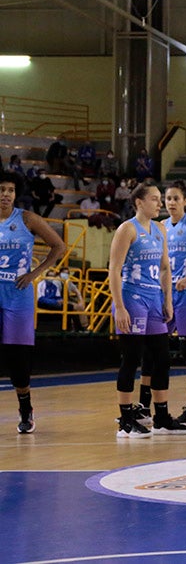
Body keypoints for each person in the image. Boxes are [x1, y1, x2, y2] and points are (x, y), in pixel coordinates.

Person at [132, 182, 186, 429]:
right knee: (151, 353)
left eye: (175, 198)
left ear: (185, 201)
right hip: (162, 295)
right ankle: (143, 406)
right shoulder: (158, 226)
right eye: (167, 198)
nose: (170, 202)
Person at [108, 183, 186, 437]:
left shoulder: (159, 229)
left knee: (162, 358)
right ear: (139, 203)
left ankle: (162, 417)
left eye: (160, 199)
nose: (160, 204)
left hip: (154, 298)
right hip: (132, 298)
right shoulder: (127, 229)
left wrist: (167, 300)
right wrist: (120, 306)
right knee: (132, 359)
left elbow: (166, 267)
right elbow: (114, 270)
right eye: (155, 199)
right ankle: (125, 419)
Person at [0, 173, 67, 434]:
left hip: (18, 294)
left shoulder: (27, 219)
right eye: (2, 189)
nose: (6, 194)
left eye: (10, 190)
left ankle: (25, 408)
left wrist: (34, 273)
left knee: (18, 358)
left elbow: (58, 246)